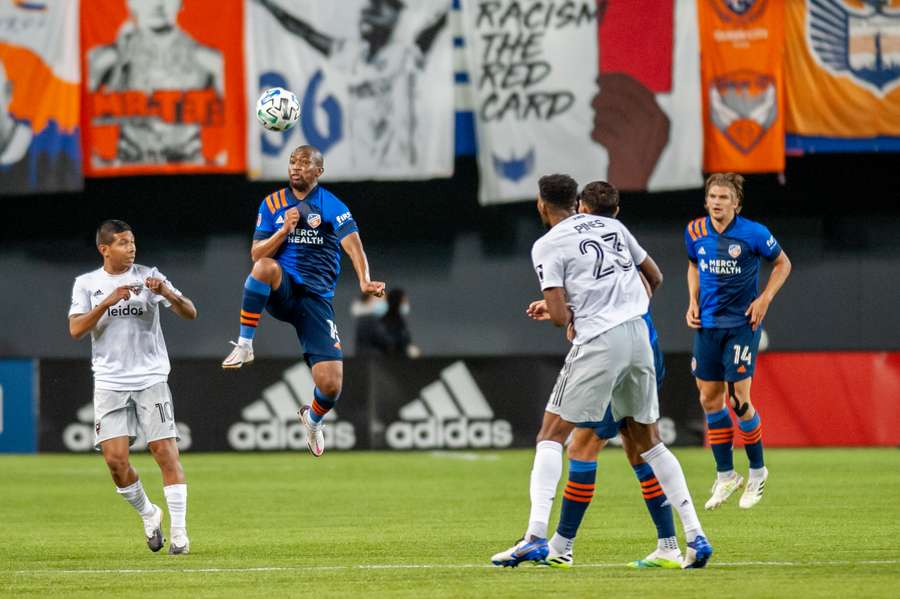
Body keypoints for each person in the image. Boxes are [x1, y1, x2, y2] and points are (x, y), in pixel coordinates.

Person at [491, 174, 711, 570]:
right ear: (576, 202)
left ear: (542, 205)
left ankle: (536, 537)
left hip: (600, 340)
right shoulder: (613, 225)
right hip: (639, 335)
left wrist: (573, 311)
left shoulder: (547, 244)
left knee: (551, 434)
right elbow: (655, 277)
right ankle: (694, 536)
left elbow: (560, 319)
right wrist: (617, 303)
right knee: (649, 443)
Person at [221, 144, 385, 458]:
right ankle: (245, 343)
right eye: (293, 162)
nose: (296, 167)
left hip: (315, 300)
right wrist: (284, 230)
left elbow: (354, 246)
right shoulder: (272, 204)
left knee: (331, 385)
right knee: (264, 267)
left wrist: (364, 280)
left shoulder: (331, 205)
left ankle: (312, 420)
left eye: (305, 163)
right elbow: (257, 253)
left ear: (319, 171)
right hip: (283, 289)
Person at [68, 219, 198, 555]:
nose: (132, 248)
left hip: (150, 378)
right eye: (124, 243)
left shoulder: (148, 275)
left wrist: (166, 292)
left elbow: (190, 313)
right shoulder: (87, 284)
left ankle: (180, 534)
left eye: (133, 242)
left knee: (165, 452)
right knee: (116, 462)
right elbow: (76, 330)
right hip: (110, 382)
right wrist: (106, 302)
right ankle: (149, 513)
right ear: (105, 249)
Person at [685, 173, 791, 510]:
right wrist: (692, 300)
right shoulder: (695, 231)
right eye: (712, 197)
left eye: (724, 198)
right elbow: (693, 265)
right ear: (706, 201)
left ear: (736, 204)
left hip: (742, 325)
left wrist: (764, 300)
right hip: (708, 325)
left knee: (738, 400)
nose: (717, 202)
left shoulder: (754, 233)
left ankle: (758, 472)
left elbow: (782, 264)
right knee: (709, 399)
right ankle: (726, 475)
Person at [255, 0, 447, 168]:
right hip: (361, 165)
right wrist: (268, 4)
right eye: (369, 9)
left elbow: (436, 26)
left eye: (378, 10)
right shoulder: (352, 53)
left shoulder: (405, 55)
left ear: (394, 19)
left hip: (398, 166)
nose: (368, 13)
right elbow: (304, 32)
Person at [87, 0, 224, 166]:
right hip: (127, 172)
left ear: (181, 3)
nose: (157, 4)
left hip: (189, 173)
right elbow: (69, 115)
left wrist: (216, 165)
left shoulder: (209, 62)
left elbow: (240, 122)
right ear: (131, 3)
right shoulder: (106, 60)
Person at [379, 288, 420, 358]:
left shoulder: (400, 320)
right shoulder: (385, 321)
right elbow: (388, 344)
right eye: (404, 301)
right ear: (398, 301)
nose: (406, 303)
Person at [351, 292, 389, 357]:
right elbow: (384, 341)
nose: (384, 301)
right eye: (380, 298)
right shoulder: (369, 320)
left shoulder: (366, 319)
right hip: (373, 362)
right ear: (369, 299)